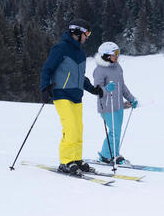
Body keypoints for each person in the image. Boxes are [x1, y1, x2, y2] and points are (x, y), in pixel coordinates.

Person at [40, 18, 104, 175]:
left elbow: (80, 77)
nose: (88, 37)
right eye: (86, 33)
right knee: (70, 128)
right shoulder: (60, 48)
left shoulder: (81, 54)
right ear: (77, 32)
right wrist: (44, 87)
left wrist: (92, 89)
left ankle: (76, 159)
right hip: (61, 94)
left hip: (76, 96)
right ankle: (66, 161)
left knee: (78, 130)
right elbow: (47, 69)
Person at [92, 41, 138, 164]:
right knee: (114, 132)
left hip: (118, 107)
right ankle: (108, 156)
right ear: (106, 55)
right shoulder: (100, 70)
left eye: (118, 53)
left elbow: (122, 86)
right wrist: (107, 89)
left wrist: (131, 98)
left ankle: (112, 154)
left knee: (116, 132)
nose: (117, 56)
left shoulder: (118, 67)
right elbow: (97, 90)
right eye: (115, 54)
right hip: (107, 107)